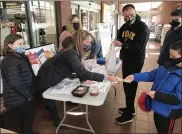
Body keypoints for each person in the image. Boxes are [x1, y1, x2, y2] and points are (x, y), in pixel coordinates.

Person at [38, 30, 119, 127]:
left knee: (55, 94)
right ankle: (56, 120)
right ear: (80, 40)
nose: (88, 45)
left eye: (90, 43)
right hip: (48, 75)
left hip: (56, 73)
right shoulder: (70, 53)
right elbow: (83, 73)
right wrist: (106, 77)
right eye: (87, 42)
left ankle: (52, 110)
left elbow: (78, 70)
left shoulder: (72, 49)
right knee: (50, 98)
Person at [125, 40, 182, 134]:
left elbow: (178, 99)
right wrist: (134, 76)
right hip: (157, 106)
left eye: (173, 56)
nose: (170, 58)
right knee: (159, 127)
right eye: (170, 55)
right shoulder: (168, 65)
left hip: (168, 112)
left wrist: (156, 95)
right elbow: (152, 75)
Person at [113, 4, 150, 124]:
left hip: (135, 62)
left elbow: (139, 47)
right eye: (126, 16)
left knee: (131, 86)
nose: (129, 18)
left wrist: (123, 45)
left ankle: (128, 115)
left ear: (135, 13)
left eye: (131, 15)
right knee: (126, 85)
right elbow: (120, 38)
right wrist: (117, 41)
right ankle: (130, 108)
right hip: (126, 60)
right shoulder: (124, 26)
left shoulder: (143, 28)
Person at [1, 34, 37, 134]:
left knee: (26, 115)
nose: (22, 46)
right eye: (19, 44)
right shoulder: (9, 61)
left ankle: (26, 131)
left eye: (23, 43)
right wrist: (28, 95)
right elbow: (15, 82)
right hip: (15, 97)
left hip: (22, 94)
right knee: (30, 114)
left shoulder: (20, 57)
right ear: (10, 45)